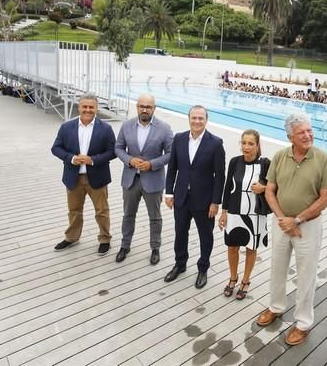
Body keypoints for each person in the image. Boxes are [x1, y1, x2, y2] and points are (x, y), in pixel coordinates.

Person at [255, 113, 327, 347]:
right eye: (302, 132)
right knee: (277, 268)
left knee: (306, 275)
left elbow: (325, 199)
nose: (308, 135)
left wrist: (297, 220)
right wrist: (283, 219)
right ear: (290, 135)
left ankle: (302, 323)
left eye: (309, 130)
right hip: (282, 224)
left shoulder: (323, 159)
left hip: (308, 227)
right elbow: (270, 190)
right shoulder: (280, 156)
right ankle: (276, 307)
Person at [164, 105, 226, 289]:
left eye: (201, 118)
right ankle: (180, 264)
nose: (197, 121)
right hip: (181, 197)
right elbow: (172, 168)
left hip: (205, 201)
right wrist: (169, 192)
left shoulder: (215, 143)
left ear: (206, 120)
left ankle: (203, 268)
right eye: (194, 118)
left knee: (205, 236)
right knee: (180, 232)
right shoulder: (179, 139)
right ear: (189, 118)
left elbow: (220, 176)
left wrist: (215, 202)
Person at [51, 93, 117, 256]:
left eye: (91, 107)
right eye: (84, 106)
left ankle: (104, 239)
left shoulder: (106, 128)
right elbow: (56, 148)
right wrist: (71, 158)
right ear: (79, 107)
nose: (88, 110)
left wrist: (92, 160)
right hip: (73, 177)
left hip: (97, 177)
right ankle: (72, 237)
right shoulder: (67, 127)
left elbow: (113, 151)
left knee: (102, 211)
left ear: (96, 108)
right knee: (74, 210)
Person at [114, 93, 173, 265]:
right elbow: (118, 148)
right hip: (130, 179)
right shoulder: (126, 126)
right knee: (128, 215)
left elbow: (171, 154)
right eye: (142, 106)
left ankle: (155, 247)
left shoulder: (165, 128)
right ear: (137, 107)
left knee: (155, 217)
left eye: (148, 107)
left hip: (153, 180)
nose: (145, 110)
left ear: (154, 108)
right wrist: (129, 160)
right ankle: (125, 246)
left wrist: (152, 164)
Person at [219, 130, 270, 301]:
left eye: (251, 144)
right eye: (244, 143)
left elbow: (275, 186)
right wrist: (223, 212)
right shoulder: (235, 162)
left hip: (254, 213)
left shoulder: (265, 164)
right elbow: (227, 187)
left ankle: (246, 280)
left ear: (257, 145)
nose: (246, 147)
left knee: (250, 248)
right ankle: (233, 278)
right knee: (232, 246)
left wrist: (263, 188)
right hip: (234, 210)